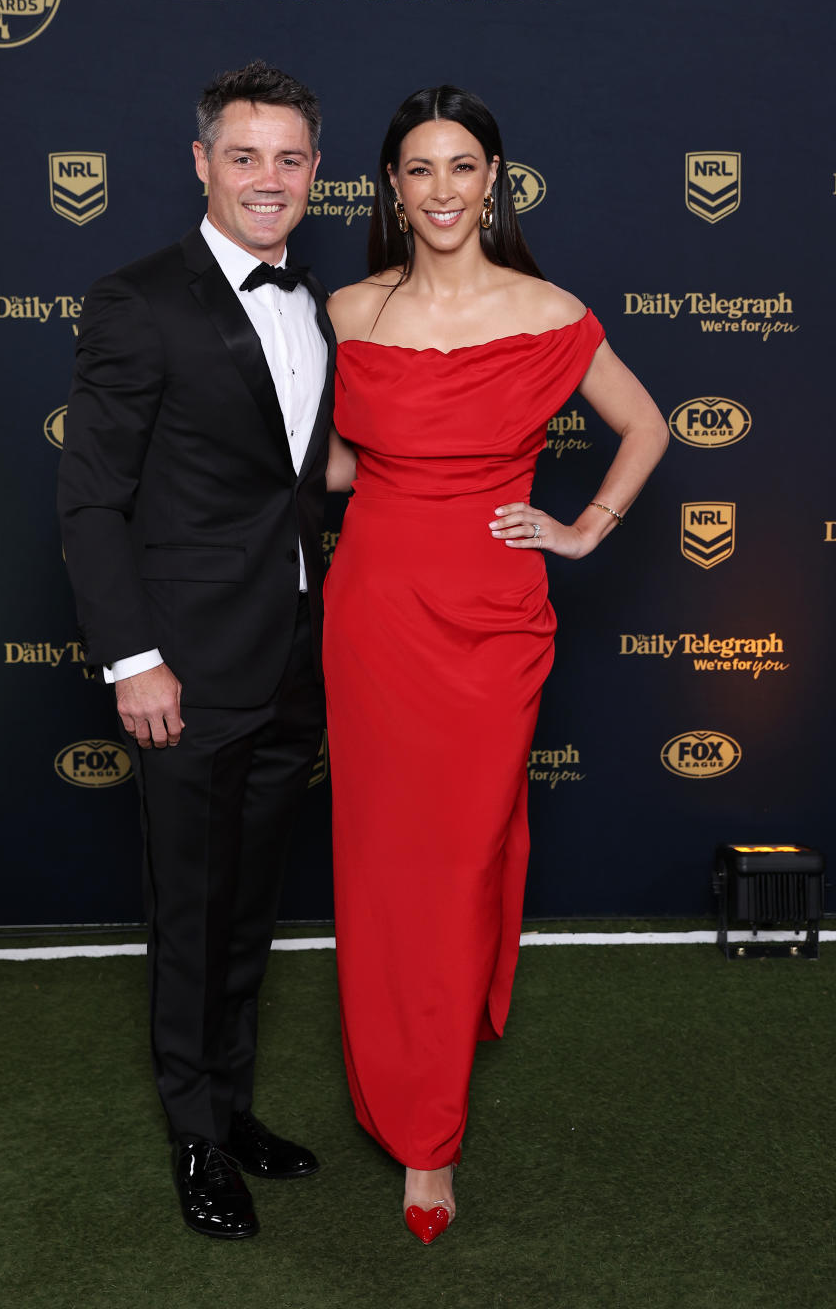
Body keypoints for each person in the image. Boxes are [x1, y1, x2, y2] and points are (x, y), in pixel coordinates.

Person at [323, 85, 669, 1244]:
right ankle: (424, 1135)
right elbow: (334, 466)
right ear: (390, 187)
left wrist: (583, 530)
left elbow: (650, 425)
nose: (440, 192)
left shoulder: (550, 311)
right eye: (417, 170)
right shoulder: (349, 311)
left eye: (461, 167)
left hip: (492, 617)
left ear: (495, 180)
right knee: (383, 858)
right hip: (374, 611)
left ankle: (440, 1053)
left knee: (463, 853)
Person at [57, 62, 336, 1241]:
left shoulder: (320, 303)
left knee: (250, 908)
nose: (267, 179)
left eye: (289, 159)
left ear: (314, 172)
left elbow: (295, 480)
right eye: (244, 155)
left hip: (289, 665)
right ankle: (193, 1143)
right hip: (183, 672)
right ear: (201, 164)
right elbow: (90, 502)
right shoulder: (137, 300)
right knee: (191, 916)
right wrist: (134, 662)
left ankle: (232, 1112)